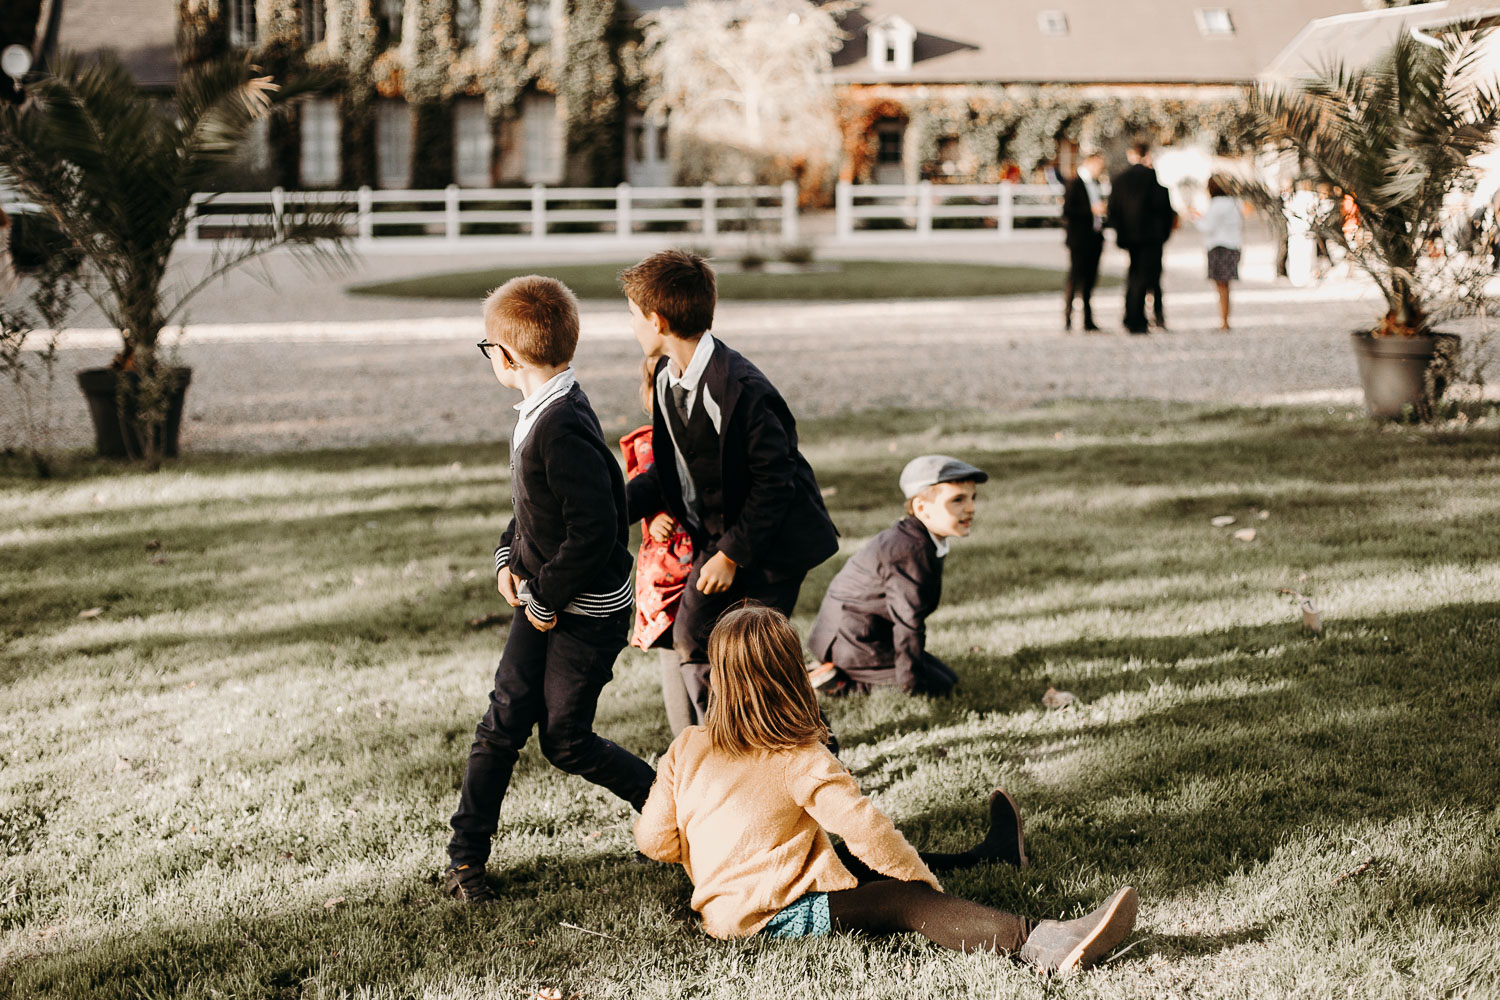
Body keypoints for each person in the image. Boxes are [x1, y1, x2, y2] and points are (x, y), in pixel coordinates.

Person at [635, 606, 1140, 972]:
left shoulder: (689, 744)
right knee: (899, 900)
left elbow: (654, 842)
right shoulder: (800, 757)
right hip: (765, 917)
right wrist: (920, 884)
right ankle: (1044, 942)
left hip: (725, 904)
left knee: (849, 863)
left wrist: (710, 854)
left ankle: (996, 855)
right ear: (792, 674)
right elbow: (868, 830)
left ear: (718, 677)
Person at [445, 276, 656, 904]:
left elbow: (595, 530)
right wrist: (508, 555)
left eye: (488, 349)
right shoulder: (544, 408)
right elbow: (538, 511)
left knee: (565, 740)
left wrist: (543, 599)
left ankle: (672, 811)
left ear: (506, 358)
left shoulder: (560, 424)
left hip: (582, 612)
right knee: (501, 723)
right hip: (544, 600)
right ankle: (465, 860)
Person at [619, 249, 840, 724]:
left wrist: (731, 555)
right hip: (717, 540)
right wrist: (613, 508)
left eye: (633, 317)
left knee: (758, 663)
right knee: (695, 637)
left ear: (656, 321)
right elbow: (669, 471)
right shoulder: (664, 378)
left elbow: (775, 482)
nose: (632, 326)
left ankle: (814, 755)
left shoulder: (739, 388)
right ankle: (720, 751)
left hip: (772, 547)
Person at [806, 455, 987, 697]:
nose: (970, 508)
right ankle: (834, 683)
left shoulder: (918, 538)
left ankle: (847, 673)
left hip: (869, 635)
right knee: (939, 688)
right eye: (957, 500)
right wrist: (911, 684)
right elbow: (908, 623)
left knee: (948, 679)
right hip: (852, 642)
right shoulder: (910, 549)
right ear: (922, 508)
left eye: (972, 498)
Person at [620, 357, 695, 739]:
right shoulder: (647, 444)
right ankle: (686, 739)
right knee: (673, 653)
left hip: (698, 564)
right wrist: (652, 520)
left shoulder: (698, 434)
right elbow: (641, 491)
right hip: (668, 570)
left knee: (704, 652)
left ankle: (712, 737)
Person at [1107, 141, 1176, 334]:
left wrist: (1121, 230)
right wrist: (1163, 233)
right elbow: (1164, 208)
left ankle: (1131, 316)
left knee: (1134, 274)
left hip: (1130, 238)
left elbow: (1112, 210)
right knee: (1149, 276)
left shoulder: (1120, 179)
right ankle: (1143, 318)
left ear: (1131, 154)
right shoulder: (1151, 177)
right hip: (1151, 238)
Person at [1062, 151, 1107, 332]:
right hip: (1079, 239)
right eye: (1098, 164)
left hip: (1094, 238)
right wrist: (1091, 210)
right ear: (1089, 162)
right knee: (1075, 278)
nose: (1100, 168)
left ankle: (1088, 320)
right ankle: (1068, 318)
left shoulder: (1095, 183)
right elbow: (1067, 211)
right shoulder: (1074, 183)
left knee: (1090, 280)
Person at [1194, 177, 1243, 332]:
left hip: (1218, 246)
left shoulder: (1216, 205)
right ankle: (1225, 318)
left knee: (1221, 285)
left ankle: (1224, 320)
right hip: (1233, 245)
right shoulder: (1235, 203)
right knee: (1226, 285)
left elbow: (1207, 227)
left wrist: (1196, 218)